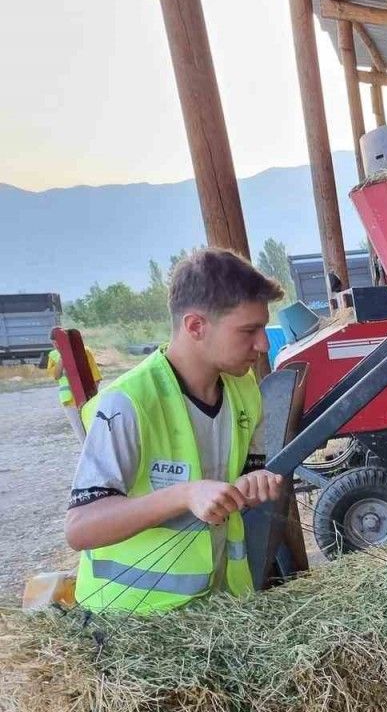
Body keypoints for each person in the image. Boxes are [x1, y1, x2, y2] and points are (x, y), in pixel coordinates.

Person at [65, 248, 287, 614]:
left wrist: (253, 484)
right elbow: (80, 528)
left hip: (214, 611)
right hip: (131, 621)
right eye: (249, 330)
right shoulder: (128, 402)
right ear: (195, 326)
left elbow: (243, 480)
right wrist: (185, 494)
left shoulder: (245, 390)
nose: (263, 344)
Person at [46, 333, 103, 440]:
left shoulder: (84, 351)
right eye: (54, 343)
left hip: (87, 400)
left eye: (58, 342)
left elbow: (96, 378)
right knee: (82, 436)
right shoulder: (53, 355)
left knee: (95, 433)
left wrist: (90, 399)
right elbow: (56, 376)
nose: (56, 346)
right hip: (69, 402)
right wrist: (63, 357)